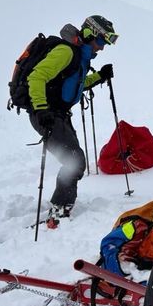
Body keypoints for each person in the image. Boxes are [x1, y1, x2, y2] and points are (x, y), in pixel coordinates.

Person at [27, 15, 117, 219]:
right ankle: (59, 208)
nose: (102, 48)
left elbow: (72, 86)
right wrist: (41, 109)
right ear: (88, 34)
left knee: (75, 159)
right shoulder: (65, 52)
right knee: (74, 160)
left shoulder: (79, 56)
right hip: (46, 114)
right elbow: (36, 77)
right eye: (101, 41)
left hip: (58, 114)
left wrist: (99, 77)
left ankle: (62, 205)